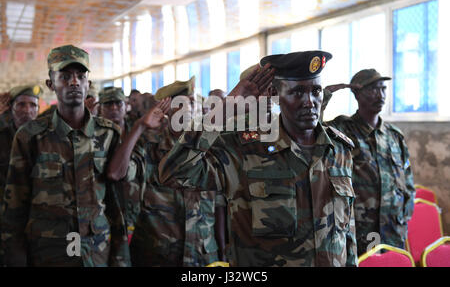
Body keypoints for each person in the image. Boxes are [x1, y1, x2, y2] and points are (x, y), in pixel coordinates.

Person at [158, 51, 358, 267]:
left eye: (316, 91)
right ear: (275, 94)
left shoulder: (339, 150)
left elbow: (347, 231)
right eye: (297, 92)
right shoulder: (244, 150)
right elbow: (173, 173)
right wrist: (224, 109)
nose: (309, 102)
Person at [1, 45, 130, 267]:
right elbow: (15, 202)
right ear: (51, 84)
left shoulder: (108, 133)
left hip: (96, 250)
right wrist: (14, 255)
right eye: (65, 76)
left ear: (88, 84)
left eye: (81, 76)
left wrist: (120, 256)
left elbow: (116, 201)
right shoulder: (30, 136)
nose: (74, 82)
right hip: (48, 252)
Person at [107, 77, 228, 267]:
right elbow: (115, 173)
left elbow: (220, 204)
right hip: (158, 255)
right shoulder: (150, 147)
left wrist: (222, 251)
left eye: (194, 103)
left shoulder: (212, 145)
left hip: (202, 256)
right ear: (168, 109)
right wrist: (140, 126)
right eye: (184, 103)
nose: (191, 109)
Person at [323, 68, 415, 256]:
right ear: (356, 93)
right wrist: (325, 95)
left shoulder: (394, 136)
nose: (380, 95)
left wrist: (403, 219)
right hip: (358, 230)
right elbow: (311, 129)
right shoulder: (342, 129)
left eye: (383, 89)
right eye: (372, 89)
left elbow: (408, 183)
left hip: (392, 230)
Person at [0, 85, 42, 266]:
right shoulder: (2, 137)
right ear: (12, 108)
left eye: (33, 105)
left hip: (38, 219)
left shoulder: (45, 138)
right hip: (6, 219)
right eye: (21, 105)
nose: (27, 110)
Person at [98, 86, 141, 240]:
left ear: (126, 106)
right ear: (100, 108)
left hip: (137, 213)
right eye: (108, 104)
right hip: (105, 215)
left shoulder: (139, 134)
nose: (114, 108)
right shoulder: (93, 138)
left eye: (118, 103)